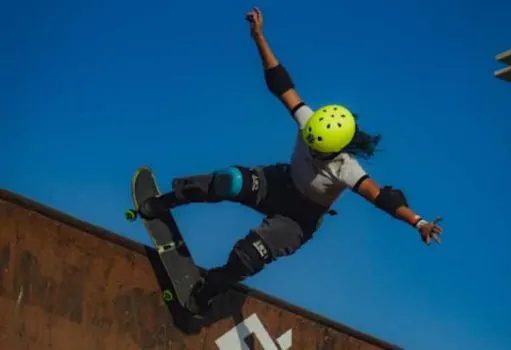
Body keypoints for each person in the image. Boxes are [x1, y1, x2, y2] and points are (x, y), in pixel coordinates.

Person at [138, 7, 443, 316]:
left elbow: (382, 198)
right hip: (278, 183)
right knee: (229, 181)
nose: (309, 148)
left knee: (247, 256)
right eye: (308, 140)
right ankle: (170, 199)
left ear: (335, 150)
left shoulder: (347, 168)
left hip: (299, 220)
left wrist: (419, 222)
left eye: (316, 149)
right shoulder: (308, 120)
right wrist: (259, 38)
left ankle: (210, 289)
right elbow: (280, 82)